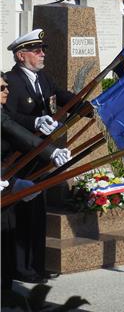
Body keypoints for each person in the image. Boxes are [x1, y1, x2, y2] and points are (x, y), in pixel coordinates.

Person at [1, 32, 75, 284]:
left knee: (37, 214)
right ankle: (19, 268)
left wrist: (86, 105)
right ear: (22, 56)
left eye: (42, 48)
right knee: (18, 217)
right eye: (36, 50)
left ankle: (37, 264)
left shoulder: (42, 78)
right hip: (16, 160)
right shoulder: (10, 80)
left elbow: (60, 96)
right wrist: (34, 121)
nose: (42, 53)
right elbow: (6, 119)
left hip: (39, 157)